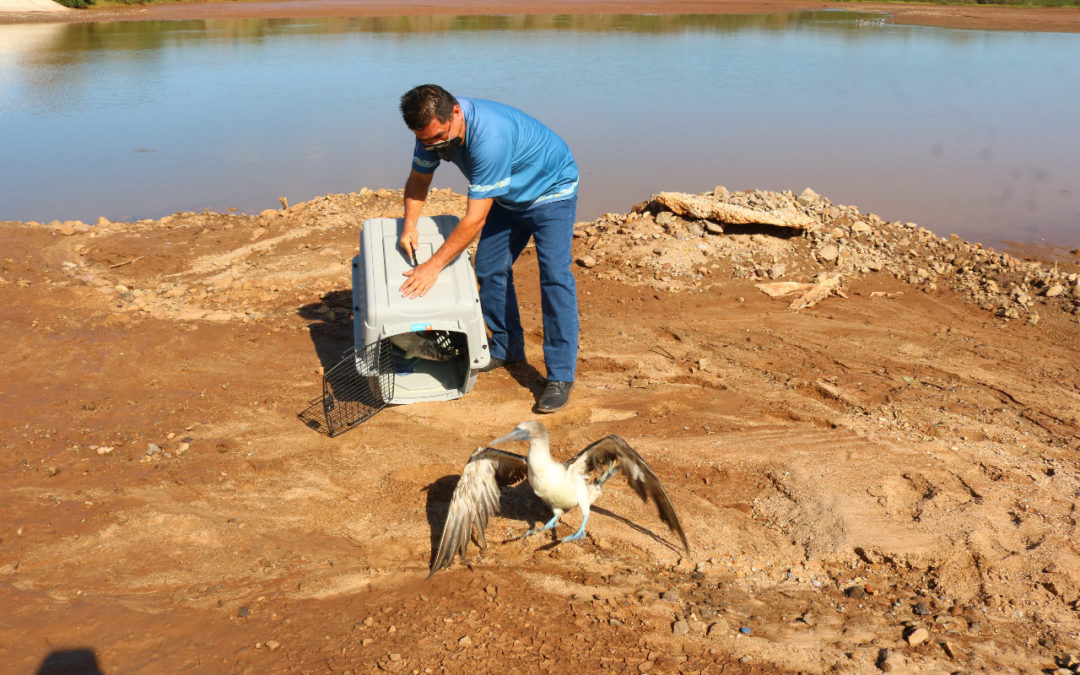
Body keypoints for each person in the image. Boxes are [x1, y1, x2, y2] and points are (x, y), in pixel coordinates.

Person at [397, 84, 579, 413]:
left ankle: (561, 376)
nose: (432, 145)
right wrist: (409, 224)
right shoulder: (431, 130)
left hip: (551, 191)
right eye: (424, 140)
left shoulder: (489, 138)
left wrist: (433, 266)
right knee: (489, 267)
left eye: (438, 137)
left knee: (554, 275)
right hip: (509, 197)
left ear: (455, 113)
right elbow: (419, 179)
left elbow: (475, 220)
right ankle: (507, 347)